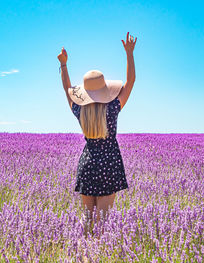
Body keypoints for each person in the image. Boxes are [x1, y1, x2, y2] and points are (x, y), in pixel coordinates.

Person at [57, 32, 137, 238]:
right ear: (105, 90)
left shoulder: (80, 111)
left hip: (87, 164)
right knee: (103, 221)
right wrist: (129, 53)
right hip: (109, 165)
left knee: (87, 217)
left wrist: (64, 65)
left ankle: (81, 254)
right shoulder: (112, 109)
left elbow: (67, 89)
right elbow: (130, 82)